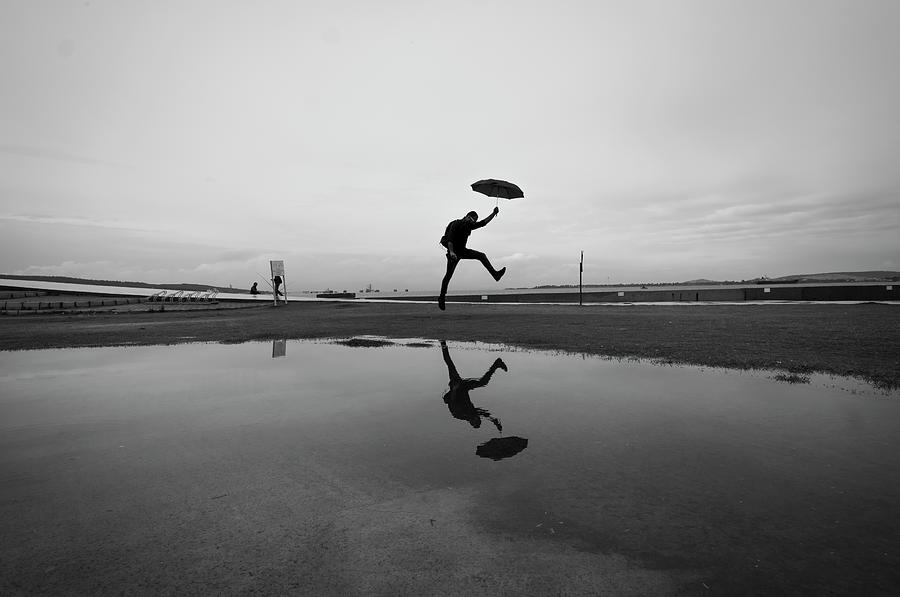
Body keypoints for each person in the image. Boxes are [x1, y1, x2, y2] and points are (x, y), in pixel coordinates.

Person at [438, 207, 506, 310]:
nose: (472, 221)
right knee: (448, 275)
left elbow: (483, 223)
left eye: (474, 220)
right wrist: (451, 252)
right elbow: (450, 240)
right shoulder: (456, 224)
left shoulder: (469, 226)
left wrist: (493, 213)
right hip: (453, 252)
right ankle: (442, 298)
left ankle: (496, 275)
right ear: (465, 216)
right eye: (470, 218)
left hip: (462, 251)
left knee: (481, 256)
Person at [440, 340, 507, 432]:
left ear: (471, 421)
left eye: (476, 419)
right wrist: (495, 422)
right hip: (464, 388)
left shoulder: (460, 414)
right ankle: (497, 364)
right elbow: (484, 414)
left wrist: (455, 389)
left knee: (450, 365)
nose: (477, 417)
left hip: (455, 389)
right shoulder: (473, 414)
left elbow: (452, 401)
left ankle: (443, 344)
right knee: (483, 382)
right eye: (478, 418)